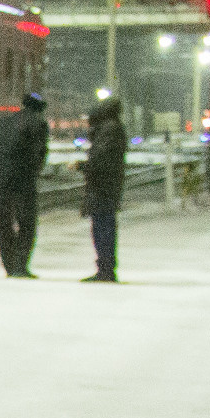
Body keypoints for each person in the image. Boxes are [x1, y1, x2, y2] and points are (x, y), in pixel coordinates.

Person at [0, 88, 50, 277]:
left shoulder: (3, 122)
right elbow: (40, 154)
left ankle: (9, 265)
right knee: (26, 224)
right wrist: (33, 171)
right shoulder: (39, 123)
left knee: (3, 225)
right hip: (23, 183)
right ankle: (20, 266)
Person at [80, 95, 126, 282]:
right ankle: (105, 267)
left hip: (103, 186)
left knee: (102, 227)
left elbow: (101, 160)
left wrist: (82, 166)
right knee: (103, 226)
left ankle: (105, 269)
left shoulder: (109, 131)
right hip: (107, 185)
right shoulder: (113, 129)